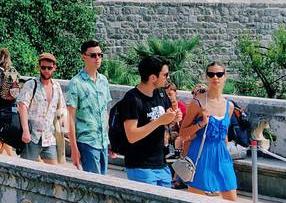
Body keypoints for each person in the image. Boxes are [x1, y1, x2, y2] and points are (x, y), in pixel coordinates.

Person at [177, 62, 239, 200]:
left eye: (219, 74)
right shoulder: (198, 103)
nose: (215, 77)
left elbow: (224, 136)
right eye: (211, 74)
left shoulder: (229, 106)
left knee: (233, 202)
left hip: (222, 155)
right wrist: (201, 124)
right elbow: (182, 133)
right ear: (206, 77)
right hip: (201, 154)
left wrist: (227, 154)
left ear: (225, 76)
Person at [118, 55, 179, 186]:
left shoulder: (161, 94)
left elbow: (167, 120)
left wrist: (173, 118)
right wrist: (159, 121)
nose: (167, 78)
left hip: (161, 164)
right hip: (140, 166)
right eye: (165, 75)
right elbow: (132, 135)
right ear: (153, 78)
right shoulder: (132, 99)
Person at [66, 40, 112, 174]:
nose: (97, 58)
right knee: (95, 185)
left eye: (100, 55)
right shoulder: (76, 83)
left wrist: (109, 140)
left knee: (104, 183)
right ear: (84, 57)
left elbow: (105, 112)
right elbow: (69, 118)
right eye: (93, 55)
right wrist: (74, 149)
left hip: (102, 141)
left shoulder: (103, 80)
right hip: (87, 142)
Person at [16, 52, 65, 165]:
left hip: (49, 137)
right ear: (39, 67)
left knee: (54, 173)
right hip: (32, 136)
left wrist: (65, 132)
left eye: (49, 68)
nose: (46, 70)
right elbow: (22, 106)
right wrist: (25, 131)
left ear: (54, 68)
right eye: (43, 67)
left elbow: (61, 111)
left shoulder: (56, 87)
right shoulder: (31, 84)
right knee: (26, 170)